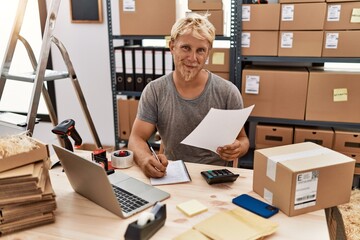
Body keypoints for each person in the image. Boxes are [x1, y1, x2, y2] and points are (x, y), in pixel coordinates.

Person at [128, 13, 249, 178]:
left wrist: (238, 148)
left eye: (200, 50)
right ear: (172, 47)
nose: (192, 58)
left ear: (208, 53)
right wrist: (144, 160)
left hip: (215, 177)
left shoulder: (228, 92)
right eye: (186, 48)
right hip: (172, 174)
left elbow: (243, 139)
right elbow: (136, 138)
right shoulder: (155, 91)